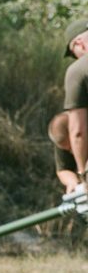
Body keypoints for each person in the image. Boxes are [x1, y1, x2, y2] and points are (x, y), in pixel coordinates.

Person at [63, 18, 88, 187]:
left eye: (74, 54)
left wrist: (83, 174)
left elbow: (78, 131)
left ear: (80, 44)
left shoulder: (78, 70)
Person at [48, 111, 83, 194]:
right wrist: (73, 182)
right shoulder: (63, 137)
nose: (72, 152)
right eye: (68, 149)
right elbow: (63, 170)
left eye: (72, 147)